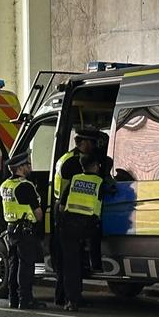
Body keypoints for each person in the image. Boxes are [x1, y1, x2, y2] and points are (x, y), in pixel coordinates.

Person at [52, 127, 102, 305]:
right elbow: (69, 192)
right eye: (93, 143)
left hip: (67, 215)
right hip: (67, 215)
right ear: (83, 142)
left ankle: (64, 297)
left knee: (68, 259)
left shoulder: (68, 159)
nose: (95, 146)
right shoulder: (73, 163)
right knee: (70, 261)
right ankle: (69, 297)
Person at [0, 151, 46, 310]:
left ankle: (13, 299)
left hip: (11, 229)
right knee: (26, 266)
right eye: (28, 165)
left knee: (14, 264)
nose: (30, 167)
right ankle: (25, 299)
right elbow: (38, 213)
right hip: (25, 230)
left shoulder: (5, 185)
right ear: (20, 167)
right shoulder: (25, 185)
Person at [59, 153, 104, 311]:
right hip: (87, 227)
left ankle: (72, 300)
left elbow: (61, 205)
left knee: (71, 265)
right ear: (95, 166)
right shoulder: (99, 182)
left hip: (69, 225)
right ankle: (96, 264)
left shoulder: (74, 179)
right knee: (79, 262)